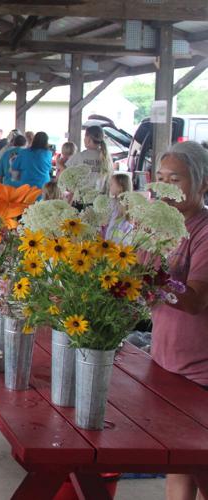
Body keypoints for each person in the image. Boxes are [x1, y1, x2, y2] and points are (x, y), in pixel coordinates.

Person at [149, 141, 208, 500]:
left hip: (200, 373)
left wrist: (154, 279)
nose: (165, 186)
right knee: (180, 464)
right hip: (167, 363)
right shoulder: (161, 227)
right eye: (160, 178)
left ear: (202, 185)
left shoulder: (203, 230)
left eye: (175, 178)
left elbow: (197, 300)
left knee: (202, 467)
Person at [67, 125, 113, 195]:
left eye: (84, 137)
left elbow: (65, 174)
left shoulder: (79, 156)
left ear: (88, 139)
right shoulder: (106, 158)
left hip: (81, 198)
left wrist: (60, 164)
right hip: (99, 199)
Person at [103, 173, 133, 243]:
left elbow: (105, 220)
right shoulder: (131, 205)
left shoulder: (112, 203)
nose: (109, 187)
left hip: (112, 239)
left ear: (120, 187)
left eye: (111, 184)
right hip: (125, 241)